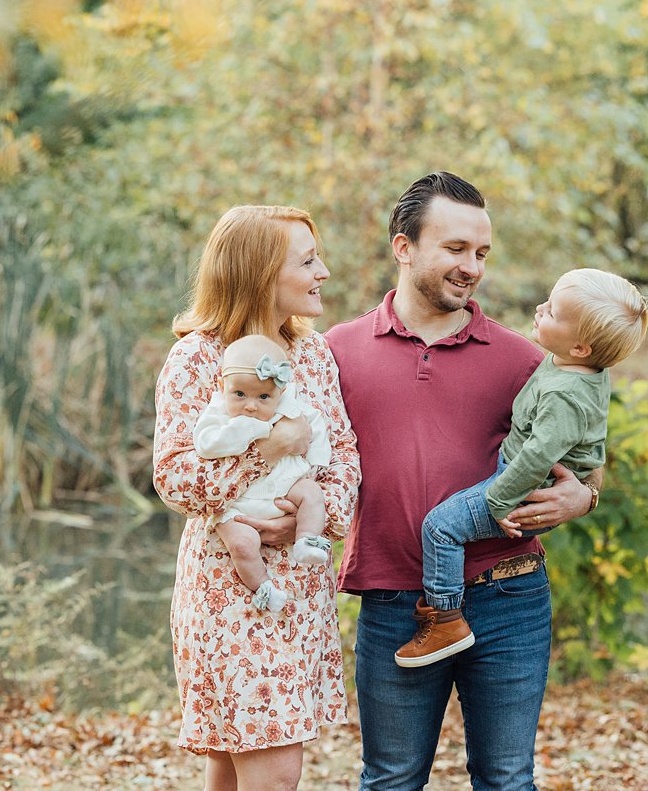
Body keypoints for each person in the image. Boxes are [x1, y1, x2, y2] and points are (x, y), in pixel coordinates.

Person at [326, 172, 604, 791]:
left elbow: (584, 454)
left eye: (481, 253)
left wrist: (582, 496)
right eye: (455, 249)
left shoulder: (526, 360)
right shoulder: (336, 351)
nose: (472, 267)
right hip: (395, 601)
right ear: (404, 247)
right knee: (392, 779)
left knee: (506, 779)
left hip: (509, 597)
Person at [153, 204, 360, 791]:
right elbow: (172, 474)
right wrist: (264, 451)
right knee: (270, 771)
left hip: (301, 586)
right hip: (230, 590)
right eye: (308, 260)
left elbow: (344, 456)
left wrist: (307, 517)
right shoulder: (196, 358)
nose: (323, 272)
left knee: (232, 767)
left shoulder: (315, 354)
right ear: (260, 272)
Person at [396, 268, 648, 667]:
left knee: (441, 527)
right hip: (525, 479)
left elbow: (536, 457)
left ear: (581, 347)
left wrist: (500, 500)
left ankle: (446, 617)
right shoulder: (572, 367)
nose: (540, 309)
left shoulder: (564, 394)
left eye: (552, 312)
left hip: (525, 489)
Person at [194, 333, 335, 613]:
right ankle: (263, 588)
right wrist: (254, 429)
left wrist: (315, 466)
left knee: (311, 493)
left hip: (282, 485)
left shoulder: (291, 407)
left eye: (263, 397)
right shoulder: (219, 413)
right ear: (222, 386)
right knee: (243, 544)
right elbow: (206, 444)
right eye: (239, 394)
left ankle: (307, 539)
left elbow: (315, 428)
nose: (250, 405)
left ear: (280, 393)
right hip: (238, 505)